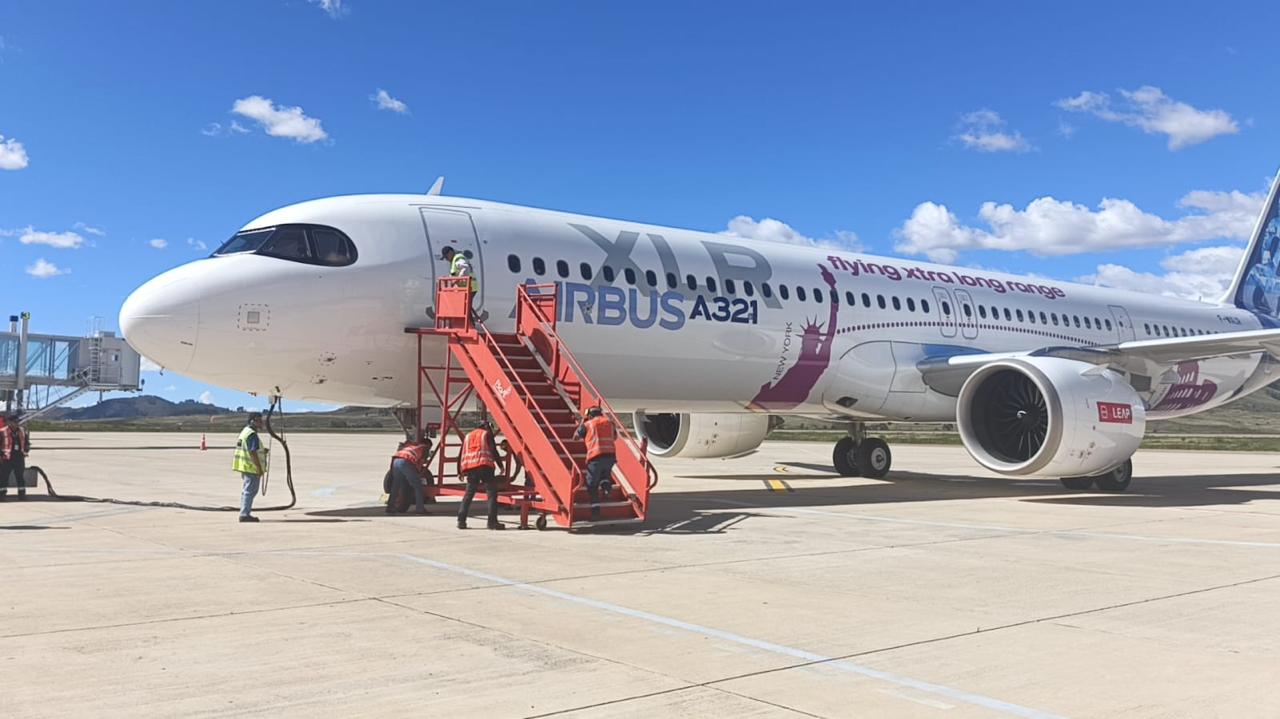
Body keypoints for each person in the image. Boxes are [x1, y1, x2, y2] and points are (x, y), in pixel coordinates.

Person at [457, 420, 504, 530]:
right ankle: (492, 522)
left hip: (471, 468)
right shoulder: (486, 434)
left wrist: (459, 471)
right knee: (491, 494)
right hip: (485, 466)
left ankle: (461, 521)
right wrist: (501, 465)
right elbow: (493, 450)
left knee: (468, 495)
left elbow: (461, 454)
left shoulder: (468, 436)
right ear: (487, 427)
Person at [574, 406, 616, 520]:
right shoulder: (610, 423)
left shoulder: (588, 424)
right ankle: (607, 488)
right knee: (604, 476)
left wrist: (582, 422)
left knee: (592, 484)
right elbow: (615, 437)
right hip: (610, 456)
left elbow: (575, 437)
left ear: (589, 415)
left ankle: (595, 511)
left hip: (596, 456)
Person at [231, 412, 267, 523]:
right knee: (250, 491)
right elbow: (252, 452)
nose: (262, 423)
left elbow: (249, 449)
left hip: (245, 466)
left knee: (247, 491)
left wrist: (262, 451)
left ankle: (244, 512)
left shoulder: (245, 431)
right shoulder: (252, 435)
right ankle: (245, 514)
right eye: (259, 421)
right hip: (251, 467)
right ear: (253, 421)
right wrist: (259, 468)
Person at [388, 436, 431, 515]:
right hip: (406, 462)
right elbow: (421, 462)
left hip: (396, 460)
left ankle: (390, 508)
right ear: (428, 445)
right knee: (418, 486)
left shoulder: (411, 445)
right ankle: (420, 509)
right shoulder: (424, 447)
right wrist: (418, 473)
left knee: (395, 486)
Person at [0, 414, 22, 501]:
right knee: (4, 477)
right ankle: (2, 495)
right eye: (15, 422)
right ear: (9, 422)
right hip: (7, 458)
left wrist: (26, 449)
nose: (17, 423)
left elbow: (26, 442)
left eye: (18, 422)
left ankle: (22, 495)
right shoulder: (2, 431)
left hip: (19, 458)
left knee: (20, 477)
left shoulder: (22, 431)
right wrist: (1, 454)